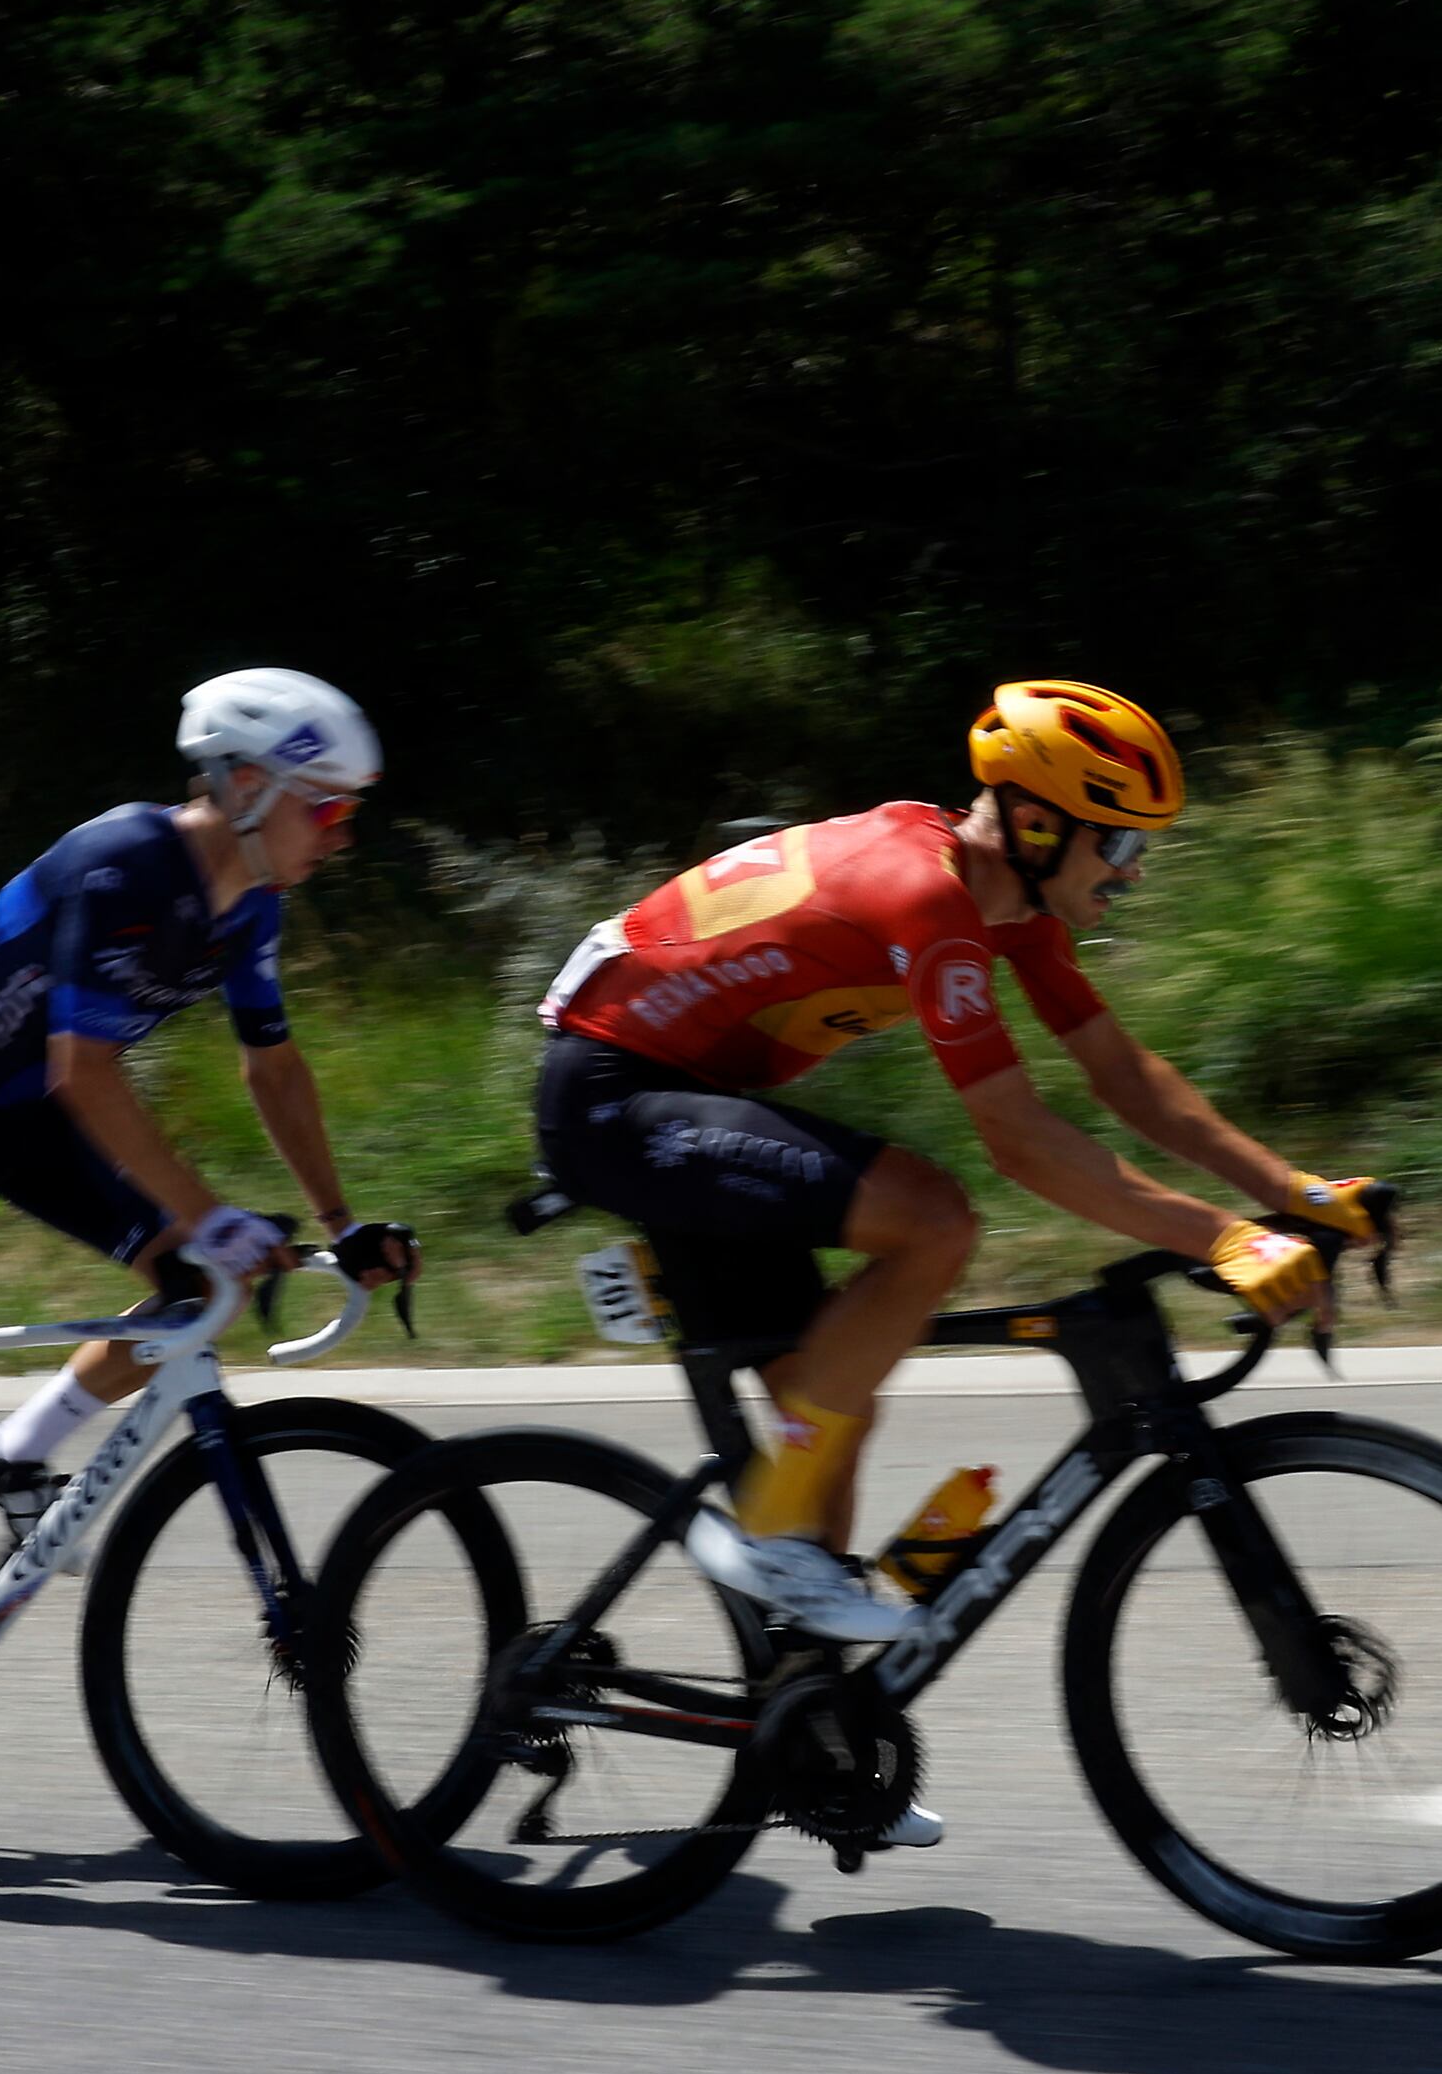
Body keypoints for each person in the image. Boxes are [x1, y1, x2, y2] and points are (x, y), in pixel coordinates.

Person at [533, 681, 1385, 1704]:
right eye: (1117, 844)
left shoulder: (1006, 901)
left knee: (831, 1402)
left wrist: (1288, 1191)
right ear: (1035, 823)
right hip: (614, 1097)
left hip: (690, 1097)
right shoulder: (925, 895)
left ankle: (811, 1726)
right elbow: (1018, 1140)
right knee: (931, 1220)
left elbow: (1122, 1077)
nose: (1133, 871)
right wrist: (1221, 1239)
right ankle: (766, 1541)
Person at [0, 668, 420, 1824]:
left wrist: (340, 1220)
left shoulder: (250, 906)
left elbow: (271, 1067)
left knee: (193, 1293)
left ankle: (9, 1461)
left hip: (24, 1112)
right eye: (323, 808)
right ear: (242, 785)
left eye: (347, 814)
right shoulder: (125, 860)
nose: (339, 836)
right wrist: (208, 1211)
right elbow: (89, 1076)